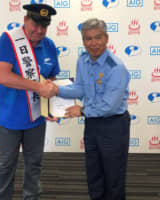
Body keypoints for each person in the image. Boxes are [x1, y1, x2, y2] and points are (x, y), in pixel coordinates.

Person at [52, 18, 131, 200]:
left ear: (106, 38)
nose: (93, 43)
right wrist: (57, 90)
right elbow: (80, 88)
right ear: (83, 41)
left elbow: (109, 105)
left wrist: (81, 111)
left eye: (98, 37)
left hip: (114, 125)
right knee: (94, 173)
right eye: (88, 39)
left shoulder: (116, 67)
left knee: (113, 177)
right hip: (92, 124)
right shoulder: (83, 60)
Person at [0, 3, 59, 200]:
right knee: (6, 163)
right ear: (25, 20)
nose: (39, 30)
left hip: (36, 118)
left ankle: (32, 197)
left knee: (34, 162)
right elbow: (2, 76)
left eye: (44, 26)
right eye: (35, 24)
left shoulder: (50, 46)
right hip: (8, 118)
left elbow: (52, 80)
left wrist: (52, 106)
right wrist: (39, 87)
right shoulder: (9, 40)